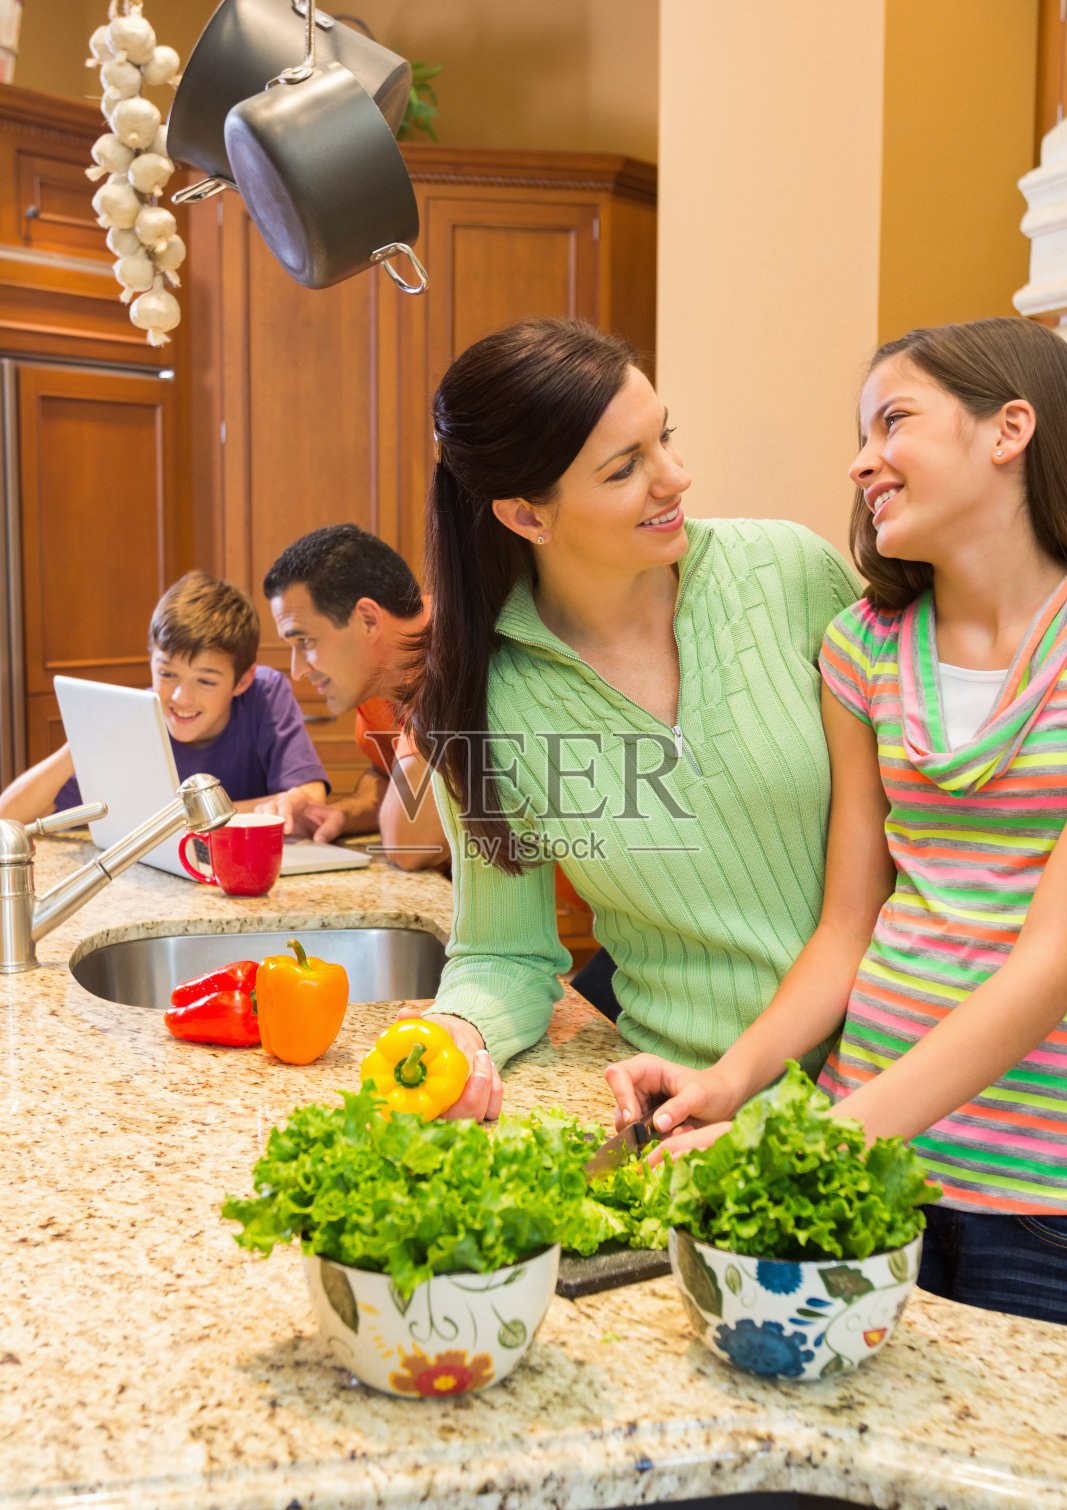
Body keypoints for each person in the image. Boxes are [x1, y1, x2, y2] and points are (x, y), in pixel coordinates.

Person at [607, 316, 1067, 1326]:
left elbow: (1046, 971)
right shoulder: (860, 646)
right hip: (874, 1163)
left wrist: (807, 1142)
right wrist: (726, 1084)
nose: (861, 461)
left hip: (1037, 1198)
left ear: (1009, 430)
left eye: (891, 421)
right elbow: (847, 923)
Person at [399, 317, 862, 1121]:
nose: (675, 477)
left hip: (896, 1084)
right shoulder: (483, 707)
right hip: (683, 1103)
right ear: (525, 517)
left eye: (664, 438)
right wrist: (458, 1034)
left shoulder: (790, 573)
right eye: (624, 469)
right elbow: (504, 950)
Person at [0, 571, 328, 822]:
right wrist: (82, 741)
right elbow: (7, 818)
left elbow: (309, 800)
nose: (181, 698)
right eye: (167, 674)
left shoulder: (264, 694)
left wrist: (169, 820)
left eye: (206, 681)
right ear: (150, 661)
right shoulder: (133, 718)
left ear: (242, 681)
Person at [260, 525, 448, 872]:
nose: (298, 671)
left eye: (305, 642)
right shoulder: (376, 674)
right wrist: (339, 814)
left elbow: (409, 845)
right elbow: (386, 776)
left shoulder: (456, 655)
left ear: (367, 620)